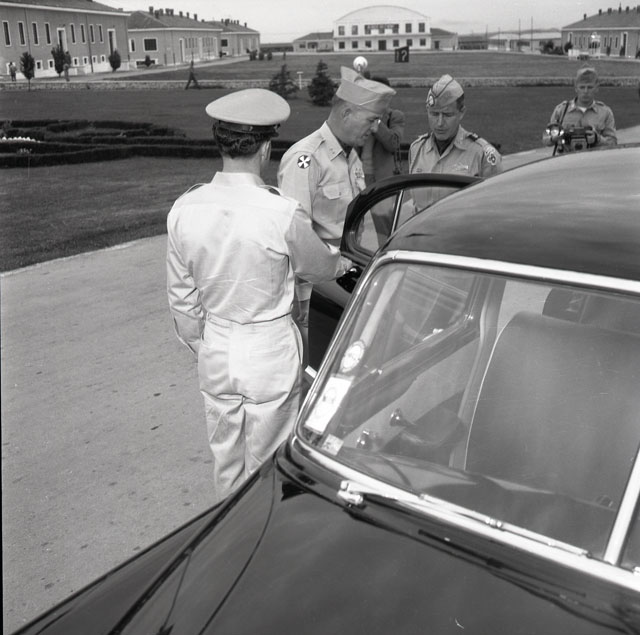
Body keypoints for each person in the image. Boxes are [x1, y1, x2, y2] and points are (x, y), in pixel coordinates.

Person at [166, 89, 352, 503]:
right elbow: (318, 267)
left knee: (226, 463)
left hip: (216, 346)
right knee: (268, 468)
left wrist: (206, 344)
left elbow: (181, 298)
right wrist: (341, 263)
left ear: (221, 144)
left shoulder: (184, 208)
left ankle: (230, 530)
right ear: (265, 148)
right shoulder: (279, 212)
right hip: (268, 348)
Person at [278, 67, 396, 363]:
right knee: (317, 369)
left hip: (346, 280)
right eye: (371, 120)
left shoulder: (350, 155)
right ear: (346, 113)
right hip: (315, 292)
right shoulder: (306, 159)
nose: (375, 128)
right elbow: (295, 237)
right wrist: (302, 300)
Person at [409, 74, 501, 209]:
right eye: (434, 114)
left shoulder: (482, 154)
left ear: (461, 112)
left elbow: (495, 206)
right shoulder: (417, 149)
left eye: (447, 115)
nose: (439, 123)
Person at [542, 65, 617, 153]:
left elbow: (613, 143)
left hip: (594, 159)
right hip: (566, 158)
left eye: (590, 87)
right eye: (582, 87)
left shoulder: (605, 112)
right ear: (576, 88)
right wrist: (555, 138)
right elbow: (545, 139)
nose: (585, 91)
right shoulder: (561, 110)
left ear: (596, 88)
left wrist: (597, 139)